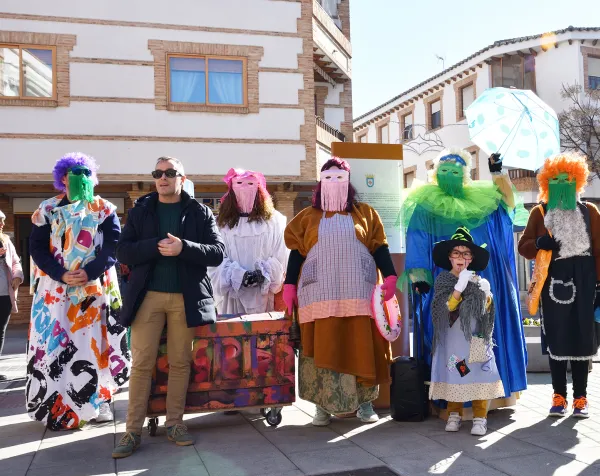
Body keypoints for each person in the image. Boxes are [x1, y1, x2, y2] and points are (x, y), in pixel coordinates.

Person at [400, 148, 527, 417]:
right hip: (445, 289)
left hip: (483, 285)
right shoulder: (426, 204)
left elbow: (507, 208)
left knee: (481, 344)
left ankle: (485, 401)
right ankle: (455, 404)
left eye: (455, 172)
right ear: (435, 174)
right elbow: (417, 238)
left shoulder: (482, 201)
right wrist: (420, 275)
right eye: (444, 171)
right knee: (452, 346)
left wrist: (497, 173)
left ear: (465, 175)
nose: (449, 176)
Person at [113, 156, 224, 458]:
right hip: (147, 297)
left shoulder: (199, 212)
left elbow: (217, 252)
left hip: (185, 299)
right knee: (142, 364)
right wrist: (155, 245)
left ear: (181, 178)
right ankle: (131, 432)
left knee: (180, 363)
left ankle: (175, 424)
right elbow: (122, 250)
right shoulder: (142, 209)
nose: (163, 178)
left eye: (170, 173)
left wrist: (183, 248)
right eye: (158, 173)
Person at [283, 157, 397, 426]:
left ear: (349, 182)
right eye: (328, 178)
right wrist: (289, 284)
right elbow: (296, 254)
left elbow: (379, 247)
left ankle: (365, 404)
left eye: (339, 178)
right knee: (321, 346)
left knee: (361, 345)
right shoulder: (306, 218)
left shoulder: (366, 213)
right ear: (320, 184)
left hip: (359, 292)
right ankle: (322, 405)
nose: (334, 183)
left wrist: (390, 275)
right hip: (318, 295)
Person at [26, 153, 130, 429]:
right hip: (55, 293)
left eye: (85, 172)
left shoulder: (104, 209)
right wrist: (60, 273)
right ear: (62, 178)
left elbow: (112, 246)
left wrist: (90, 271)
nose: (79, 177)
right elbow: (36, 248)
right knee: (55, 345)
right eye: (73, 172)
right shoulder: (46, 209)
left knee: (95, 343)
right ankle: (57, 405)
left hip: (94, 291)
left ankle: (100, 401)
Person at [518, 153, 600, 418]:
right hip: (553, 280)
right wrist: (538, 244)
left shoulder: (589, 211)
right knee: (557, 339)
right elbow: (523, 246)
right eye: (557, 180)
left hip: (584, 278)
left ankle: (581, 398)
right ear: (548, 183)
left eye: (568, 179)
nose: (563, 184)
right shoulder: (540, 212)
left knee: (583, 338)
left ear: (577, 181)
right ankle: (558, 397)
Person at [430, 227, 503, 436]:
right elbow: (446, 308)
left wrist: (487, 296)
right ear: (450, 258)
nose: (461, 257)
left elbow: (486, 312)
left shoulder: (479, 282)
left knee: (479, 374)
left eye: (466, 253)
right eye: (456, 253)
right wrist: (459, 288)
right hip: (453, 340)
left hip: (476, 339)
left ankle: (480, 418)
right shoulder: (443, 281)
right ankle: (454, 414)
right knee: (456, 373)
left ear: (471, 259)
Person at [209, 168, 288, 315]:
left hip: (265, 295)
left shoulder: (275, 222)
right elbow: (215, 259)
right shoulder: (220, 224)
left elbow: (281, 254)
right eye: (239, 183)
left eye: (250, 184)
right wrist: (239, 276)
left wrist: (263, 274)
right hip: (231, 298)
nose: (245, 188)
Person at [0, 210, 23, 382]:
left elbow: (16, 262)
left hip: (4, 294)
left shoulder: (6, 242)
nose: (2, 224)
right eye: (0, 221)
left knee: (0, 331)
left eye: (3, 221)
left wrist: (17, 276)